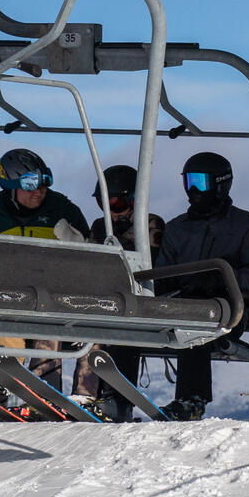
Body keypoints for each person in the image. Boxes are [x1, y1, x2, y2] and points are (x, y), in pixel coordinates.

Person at [0, 149, 92, 389]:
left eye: (44, 184)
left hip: (50, 298)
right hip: (4, 296)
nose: (39, 192)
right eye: (30, 186)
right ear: (11, 187)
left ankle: (37, 387)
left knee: (41, 325)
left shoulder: (64, 212)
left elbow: (89, 263)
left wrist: (76, 243)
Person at [154, 151, 249, 421]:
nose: (193, 190)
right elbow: (160, 274)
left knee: (196, 319)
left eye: (201, 182)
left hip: (229, 310)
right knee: (135, 314)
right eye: (189, 181)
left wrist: (224, 278)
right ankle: (116, 399)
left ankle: (192, 399)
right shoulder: (177, 229)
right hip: (181, 303)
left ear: (220, 184)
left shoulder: (245, 226)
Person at [69, 164, 166, 420]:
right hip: (104, 301)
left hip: (138, 303)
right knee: (91, 327)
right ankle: (84, 395)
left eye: (117, 204)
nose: (111, 213)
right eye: (105, 205)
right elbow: (91, 266)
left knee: (123, 329)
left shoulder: (150, 225)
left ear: (134, 200)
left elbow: (150, 266)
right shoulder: (100, 227)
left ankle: (119, 400)